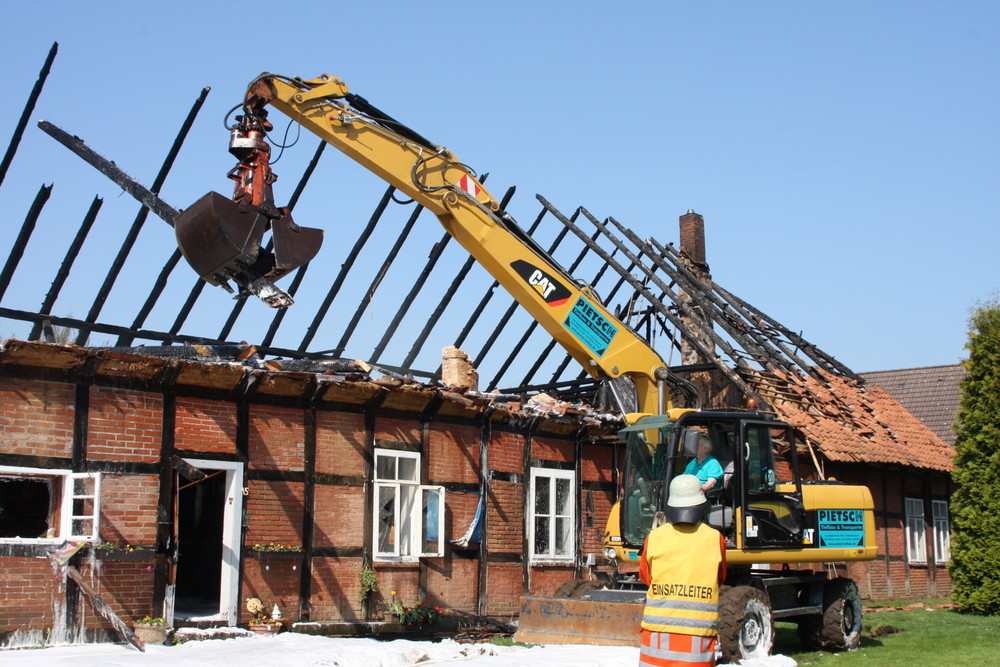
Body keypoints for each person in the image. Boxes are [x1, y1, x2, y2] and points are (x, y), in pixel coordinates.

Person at [639, 474, 727, 667]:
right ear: (702, 506)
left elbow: (646, 577)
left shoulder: (654, 538)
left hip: (657, 637)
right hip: (697, 639)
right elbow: (719, 578)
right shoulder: (715, 539)